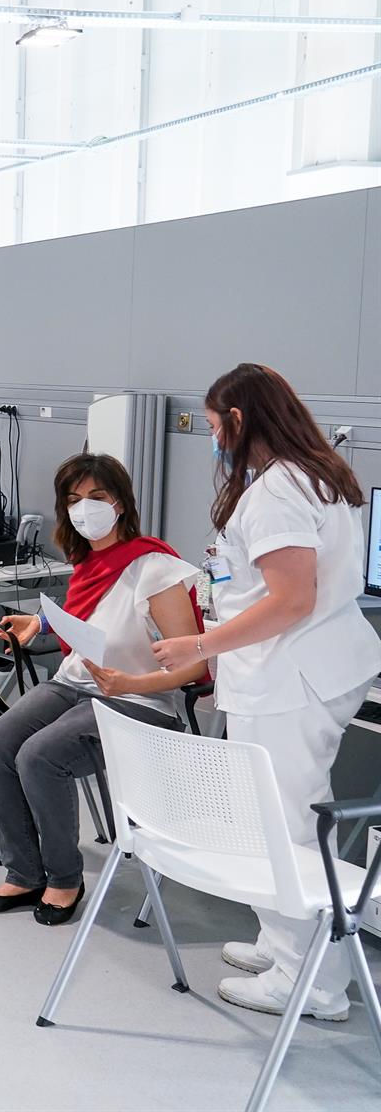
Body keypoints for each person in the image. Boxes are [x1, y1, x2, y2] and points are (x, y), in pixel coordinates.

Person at [151, 362, 381, 1022]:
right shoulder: (310, 473)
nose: (212, 438)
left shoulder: (280, 488)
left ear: (240, 419)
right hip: (301, 669)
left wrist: (199, 646)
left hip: (290, 678)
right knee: (278, 815)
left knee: (284, 824)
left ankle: (313, 984)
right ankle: (284, 947)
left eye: (214, 425)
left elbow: (291, 601)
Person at [0, 453, 207, 926]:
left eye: (96, 497)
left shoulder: (156, 568)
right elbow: (91, 618)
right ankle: (24, 872)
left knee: (40, 756)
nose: (84, 508)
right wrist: (40, 623)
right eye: (74, 499)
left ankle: (65, 880)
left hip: (138, 699)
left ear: (120, 502)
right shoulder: (87, 561)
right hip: (76, 684)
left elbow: (194, 665)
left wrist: (130, 682)